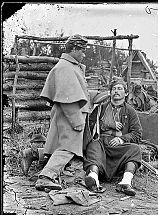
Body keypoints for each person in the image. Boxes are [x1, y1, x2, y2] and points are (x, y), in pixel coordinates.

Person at [34, 34, 108, 191]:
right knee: (67, 148)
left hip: (68, 114)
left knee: (61, 146)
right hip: (70, 115)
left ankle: (34, 155)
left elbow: (76, 91)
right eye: (82, 50)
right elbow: (67, 99)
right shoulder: (65, 68)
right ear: (74, 49)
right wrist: (77, 121)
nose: (83, 54)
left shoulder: (70, 66)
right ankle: (46, 177)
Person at [83, 76, 142, 196]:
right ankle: (93, 177)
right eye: (114, 88)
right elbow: (90, 127)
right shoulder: (101, 108)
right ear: (110, 93)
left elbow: (137, 134)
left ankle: (125, 182)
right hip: (101, 143)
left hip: (118, 146)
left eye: (120, 88)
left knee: (135, 149)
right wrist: (105, 124)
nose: (116, 91)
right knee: (92, 147)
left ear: (126, 93)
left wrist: (121, 139)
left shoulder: (130, 111)